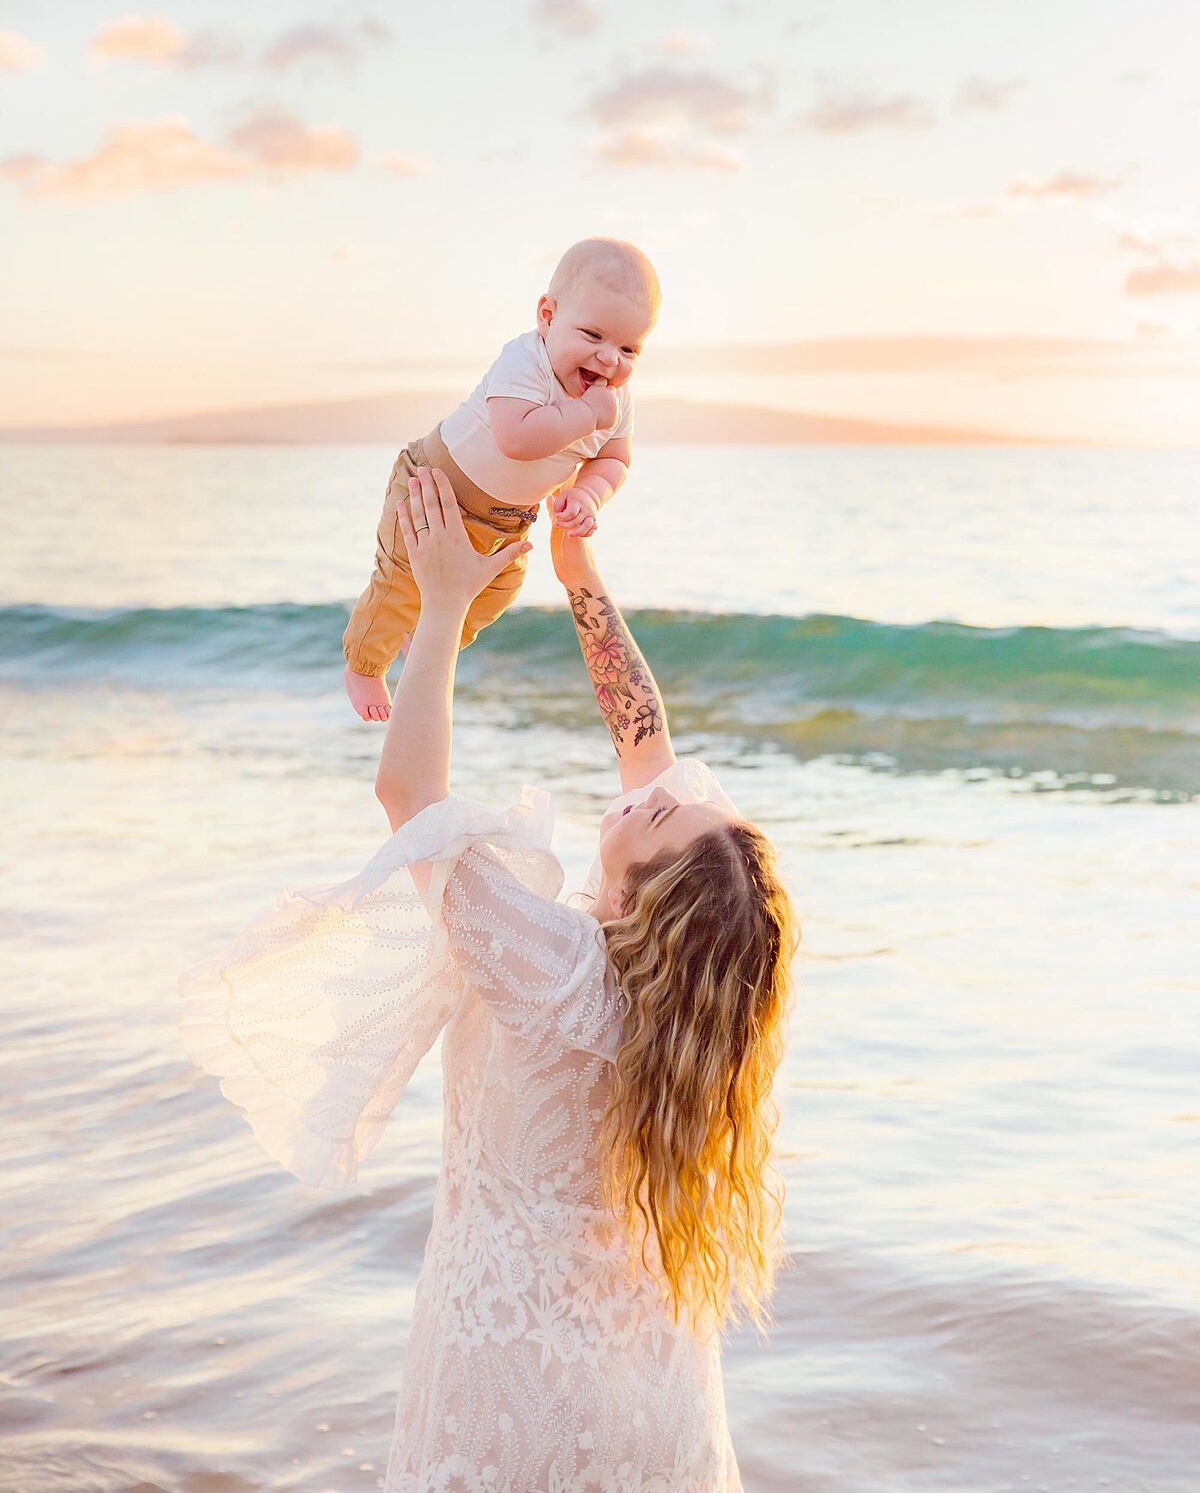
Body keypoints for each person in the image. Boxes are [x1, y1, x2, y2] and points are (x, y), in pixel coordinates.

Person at [179, 466, 799, 1492]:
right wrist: (577, 566)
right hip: (653, 1379)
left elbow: (409, 793)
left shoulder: (555, 967)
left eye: (656, 819)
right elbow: (649, 744)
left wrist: (444, 600)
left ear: (649, 908)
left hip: (515, 1380)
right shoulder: (702, 1006)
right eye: (670, 805)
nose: (651, 795)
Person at [342, 236, 661, 723]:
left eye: (628, 348)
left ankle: (428, 639)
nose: (609, 359)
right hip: (433, 487)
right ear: (547, 316)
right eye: (593, 336)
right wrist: (586, 414)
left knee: (499, 590)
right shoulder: (525, 361)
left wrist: (588, 495)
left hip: (507, 522)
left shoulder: (617, 402)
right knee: (401, 579)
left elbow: (615, 460)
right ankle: (365, 666)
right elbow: (517, 438)